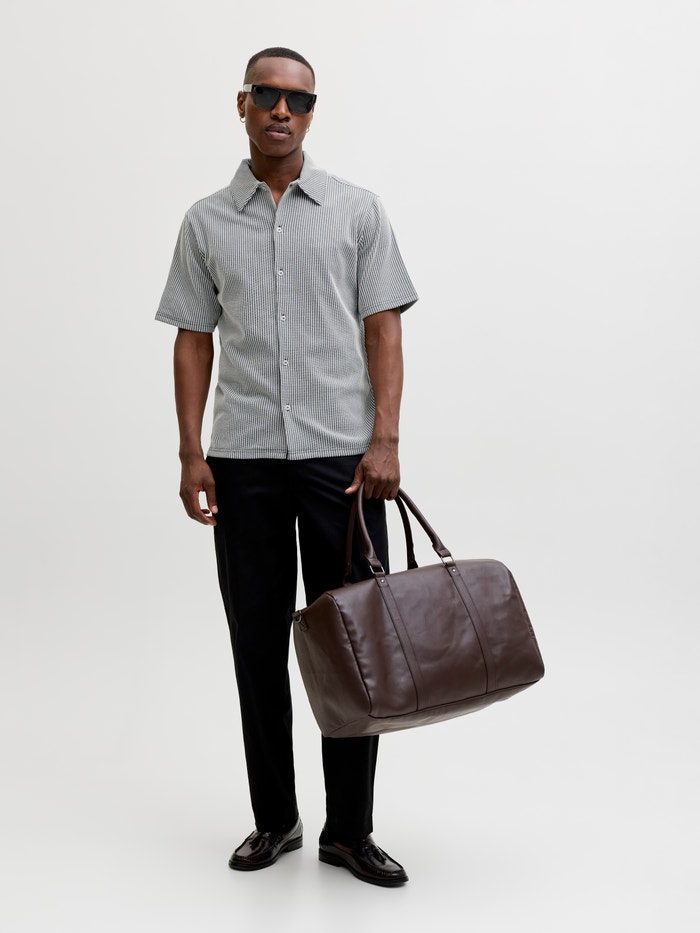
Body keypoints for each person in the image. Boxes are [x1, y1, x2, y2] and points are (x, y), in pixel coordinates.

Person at [155, 47, 417, 887]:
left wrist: (386, 439)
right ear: (242, 103)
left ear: (311, 112)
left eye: (297, 100)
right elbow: (193, 339)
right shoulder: (205, 222)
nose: (281, 110)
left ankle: (350, 830)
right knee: (257, 643)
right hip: (244, 463)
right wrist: (192, 450)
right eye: (266, 95)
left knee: (354, 645)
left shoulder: (356, 211)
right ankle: (276, 819)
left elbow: (383, 327)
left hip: (345, 465)